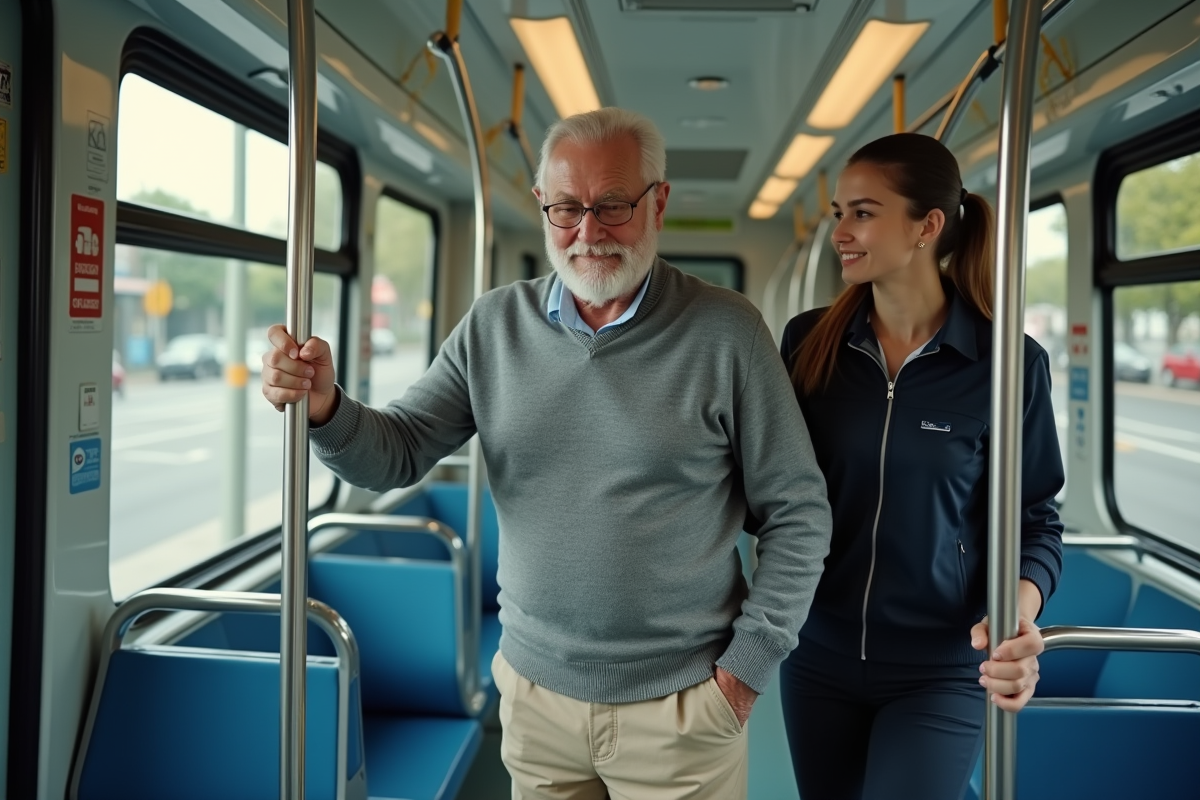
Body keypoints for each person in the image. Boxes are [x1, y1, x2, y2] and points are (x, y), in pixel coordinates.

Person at [261, 107, 833, 800]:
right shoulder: (494, 325)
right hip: (534, 699)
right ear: (542, 206)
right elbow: (399, 452)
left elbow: (797, 511)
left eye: (612, 205)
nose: (587, 232)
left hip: (681, 704)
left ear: (658, 201)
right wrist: (326, 407)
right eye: (566, 208)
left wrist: (746, 668)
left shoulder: (727, 332)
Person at [778, 133, 1064, 800]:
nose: (840, 232)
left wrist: (1016, 611)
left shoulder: (1008, 366)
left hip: (938, 667)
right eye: (838, 212)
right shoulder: (808, 344)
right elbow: (770, 490)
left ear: (927, 226)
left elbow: (1036, 521)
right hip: (817, 652)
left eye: (862, 212)